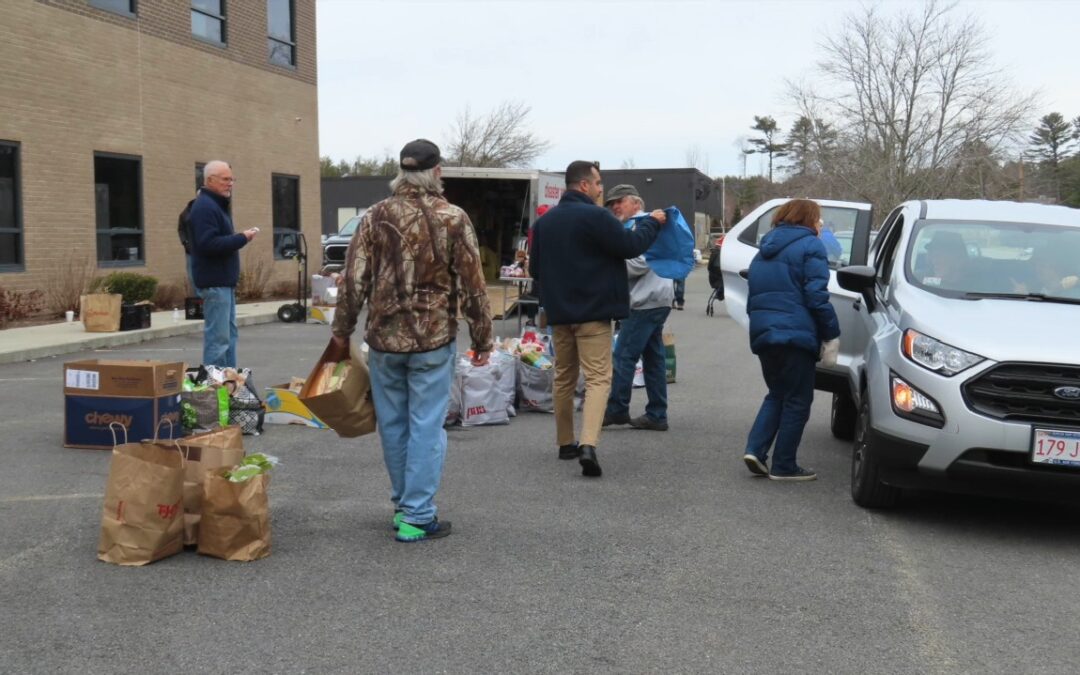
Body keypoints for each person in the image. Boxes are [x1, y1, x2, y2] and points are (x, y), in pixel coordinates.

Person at [329, 139, 492, 543]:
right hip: (433, 338)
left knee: (394, 424)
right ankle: (418, 515)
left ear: (401, 173)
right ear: (437, 172)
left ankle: (405, 505)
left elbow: (353, 279)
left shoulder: (375, 216)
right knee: (425, 425)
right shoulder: (452, 217)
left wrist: (341, 331)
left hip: (384, 339)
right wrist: (483, 337)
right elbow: (474, 284)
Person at [530, 161, 666, 478]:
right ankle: (588, 444)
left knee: (564, 376)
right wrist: (653, 224)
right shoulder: (597, 216)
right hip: (593, 314)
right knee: (598, 379)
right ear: (583, 186)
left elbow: (535, 270)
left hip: (560, 314)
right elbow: (630, 246)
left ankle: (565, 442)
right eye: (598, 183)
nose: (601, 189)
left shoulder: (545, 223)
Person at [741, 199, 839, 481]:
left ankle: (755, 451)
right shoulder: (812, 246)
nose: (820, 224)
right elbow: (817, 296)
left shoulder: (763, 250)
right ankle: (784, 465)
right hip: (796, 334)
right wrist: (831, 333)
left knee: (777, 393)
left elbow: (754, 294)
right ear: (809, 219)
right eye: (818, 218)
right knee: (798, 399)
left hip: (764, 332)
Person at [602, 184, 674, 432]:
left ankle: (617, 409)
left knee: (624, 356)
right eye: (611, 205)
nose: (614, 208)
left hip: (645, 300)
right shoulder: (647, 224)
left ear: (635, 202)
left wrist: (607, 264)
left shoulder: (642, 224)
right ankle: (657, 414)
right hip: (658, 297)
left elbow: (640, 262)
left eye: (618, 202)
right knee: (653, 358)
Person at [188, 160, 258, 368]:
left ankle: (230, 386)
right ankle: (215, 390)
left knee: (229, 338)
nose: (230, 184)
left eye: (231, 179)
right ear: (210, 180)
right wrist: (242, 238)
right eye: (226, 179)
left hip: (223, 283)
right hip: (214, 283)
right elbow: (208, 244)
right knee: (218, 341)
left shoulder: (214, 205)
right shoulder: (205, 207)